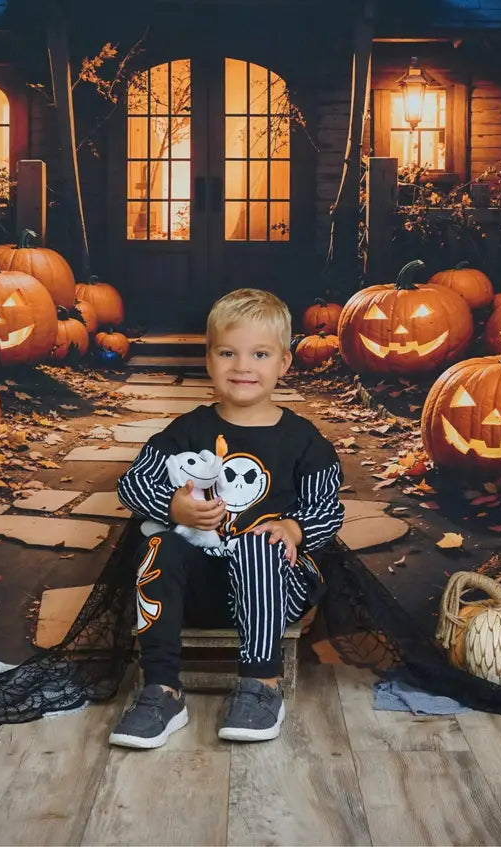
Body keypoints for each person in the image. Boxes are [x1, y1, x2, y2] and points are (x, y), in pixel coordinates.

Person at [111, 288, 344, 749]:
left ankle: (262, 686)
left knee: (261, 542)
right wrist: (174, 508)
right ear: (209, 359)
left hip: (275, 588)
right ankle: (161, 690)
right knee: (158, 544)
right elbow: (131, 484)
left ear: (284, 363)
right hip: (199, 592)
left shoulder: (302, 440)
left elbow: (328, 509)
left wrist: (294, 528)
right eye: (228, 352)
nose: (243, 366)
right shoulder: (189, 430)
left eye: (260, 353)